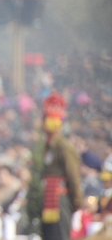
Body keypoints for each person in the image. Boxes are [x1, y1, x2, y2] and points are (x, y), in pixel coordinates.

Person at [41, 92, 82, 240]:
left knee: (60, 235)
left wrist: (77, 202)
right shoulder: (48, 146)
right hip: (49, 197)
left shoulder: (64, 147)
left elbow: (73, 176)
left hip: (60, 198)